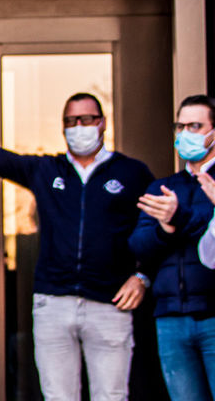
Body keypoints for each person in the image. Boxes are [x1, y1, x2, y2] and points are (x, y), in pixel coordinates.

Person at [0, 69, 154, 400]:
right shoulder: (45, 170)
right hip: (53, 303)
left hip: (110, 305)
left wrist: (142, 276)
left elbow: (156, 231)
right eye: (71, 121)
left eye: (86, 119)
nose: (79, 127)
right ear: (63, 127)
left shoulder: (132, 173)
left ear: (103, 123)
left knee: (111, 396)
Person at [130, 94, 215, 400]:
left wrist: (178, 217)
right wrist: (166, 229)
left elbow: (207, 227)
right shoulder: (163, 187)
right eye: (181, 126)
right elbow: (139, 245)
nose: (186, 134)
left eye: (195, 126)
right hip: (170, 320)